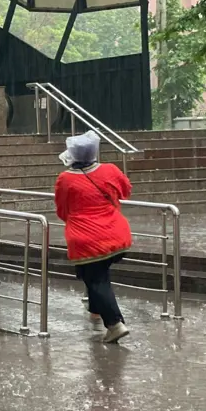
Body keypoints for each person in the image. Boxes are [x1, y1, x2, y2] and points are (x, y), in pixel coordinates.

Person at [54, 131, 133, 343]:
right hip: (116, 234)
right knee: (98, 274)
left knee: (96, 279)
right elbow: (126, 191)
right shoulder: (111, 170)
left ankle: (115, 324)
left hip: (86, 240)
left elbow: (62, 211)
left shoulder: (65, 179)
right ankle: (96, 309)